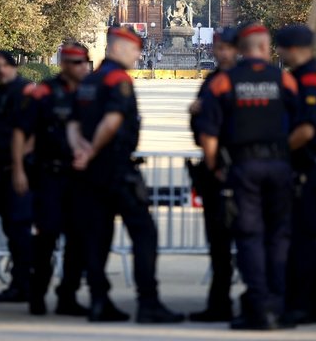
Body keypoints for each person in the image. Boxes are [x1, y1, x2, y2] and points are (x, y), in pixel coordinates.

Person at [67, 26, 184, 324]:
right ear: (119, 48)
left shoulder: (89, 81)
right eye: (134, 50)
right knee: (144, 233)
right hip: (116, 169)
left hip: (90, 173)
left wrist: (80, 150)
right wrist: (92, 150)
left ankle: (98, 301)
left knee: (98, 237)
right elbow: (113, 120)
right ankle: (148, 302)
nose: (138, 55)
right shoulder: (118, 81)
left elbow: (72, 124)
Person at [196, 22, 299, 330]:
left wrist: (215, 166)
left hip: (243, 168)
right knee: (278, 237)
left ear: (242, 49)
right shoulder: (285, 80)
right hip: (280, 167)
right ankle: (278, 306)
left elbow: (208, 135)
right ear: (266, 48)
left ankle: (258, 309)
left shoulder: (224, 83)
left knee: (250, 237)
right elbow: (304, 126)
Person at [13, 43, 92, 316]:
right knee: (45, 239)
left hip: (78, 178)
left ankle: (67, 297)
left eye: (85, 62)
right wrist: (19, 170)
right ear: (64, 64)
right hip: (49, 177)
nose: (83, 67)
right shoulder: (44, 92)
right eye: (77, 63)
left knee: (77, 241)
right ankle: (37, 295)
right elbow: (21, 132)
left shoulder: (88, 93)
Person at [274, 25, 316, 325]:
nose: (279, 53)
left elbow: (307, 129)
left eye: (281, 48)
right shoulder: (299, 78)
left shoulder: (311, 81)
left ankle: (301, 306)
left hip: (307, 170)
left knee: (303, 240)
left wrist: (276, 151)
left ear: (293, 49)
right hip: (299, 169)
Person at [187, 27, 239, 322]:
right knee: (232, 242)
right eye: (219, 47)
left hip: (224, 172)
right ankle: (253, 300)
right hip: (249, 171)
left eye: (227, 47)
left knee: (224, 241)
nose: (222, 53)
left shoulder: (218, 84)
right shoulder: (252, 80)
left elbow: (206, 132)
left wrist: (213, 166)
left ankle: (221, 304)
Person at [0, 49, 35, 303]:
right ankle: (20, 283)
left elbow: (31, 135)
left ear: (13, 66)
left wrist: (19, 168)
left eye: (3, 65)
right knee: (11, 230)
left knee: (20, 229)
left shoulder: (23, 91)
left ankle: (24, 284)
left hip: (18, 173)